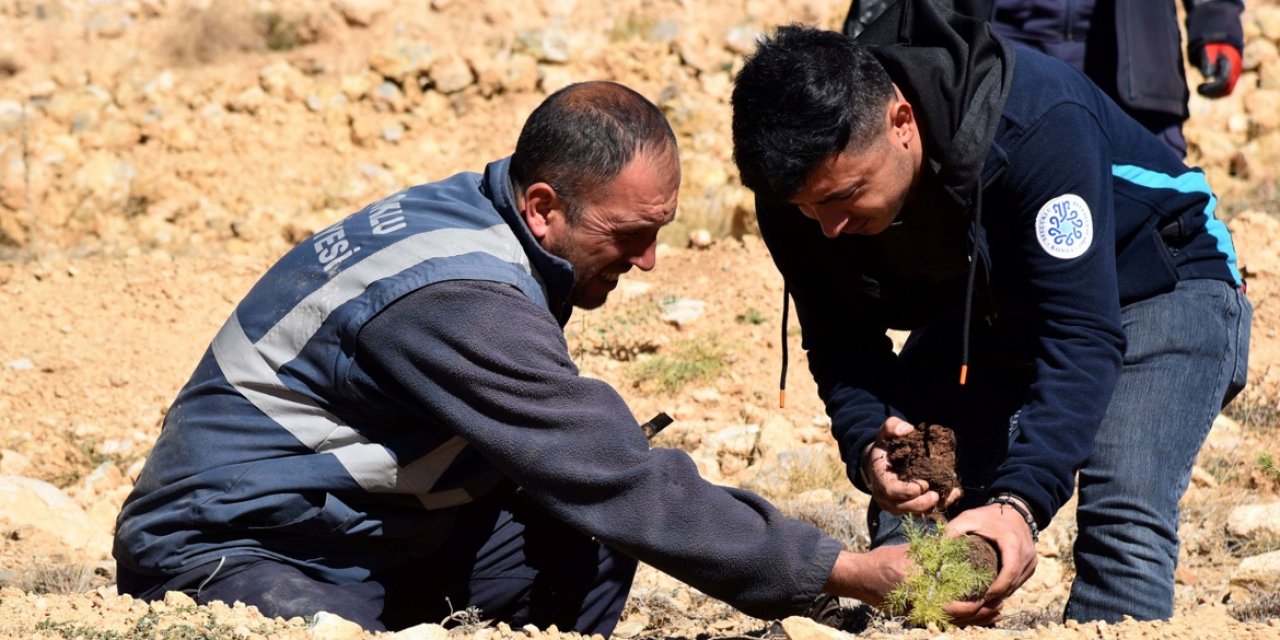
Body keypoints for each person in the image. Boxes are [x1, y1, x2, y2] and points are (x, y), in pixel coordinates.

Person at [113, 81, 943, 635]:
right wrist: (841, 569)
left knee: (584, 529)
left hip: (357, 527)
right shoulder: (455, 294)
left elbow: (590, 482)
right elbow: (609, 471)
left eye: (660, 231)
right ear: (543, 206)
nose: (649, 261)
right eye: (630, 236)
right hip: (237, 546)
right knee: (602, 488)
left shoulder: (489, 221)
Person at [730, 0, 1250, 625]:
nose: (830, 227)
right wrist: (870, 442)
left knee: (1122, 508)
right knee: (915, 488)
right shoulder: (800, 193)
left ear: (902, 121)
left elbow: (1081, 333)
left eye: (846, 196)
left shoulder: (1035, 122)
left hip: (1158, 280)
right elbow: (842, 339)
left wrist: (1019, 504)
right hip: (991, 303)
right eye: (810, 208)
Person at [843, 0, 1244, 158]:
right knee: (993, 215)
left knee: (1153, 207)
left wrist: (1217, 23)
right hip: (1000, 40)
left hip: (1131, 52)